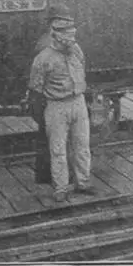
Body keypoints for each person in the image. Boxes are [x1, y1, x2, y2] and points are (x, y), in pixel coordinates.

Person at [28, 14, 96, 202]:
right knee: (57, 149)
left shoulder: (76, 51)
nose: (71, 40)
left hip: (78, 102)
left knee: (82, 146)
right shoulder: (43, 59)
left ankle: (83, 182)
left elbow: (82, 69)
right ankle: (60, 188)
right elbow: (36, 88)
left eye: (73, 35)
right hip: (56, 106)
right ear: (55, 35)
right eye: (67, 36)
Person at [25, 4, 77, 185]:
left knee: (47, 138)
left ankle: (44, 176)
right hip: (52, 100)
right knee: (59, 141)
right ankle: (61, 180)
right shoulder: (51, 46)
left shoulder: (45, 41)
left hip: (43, 98)